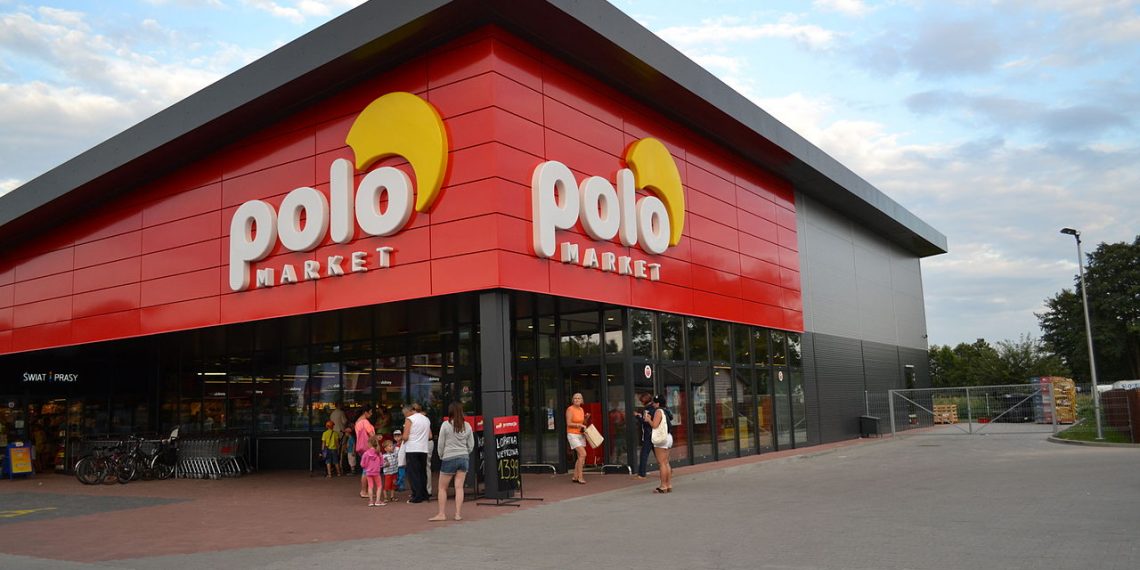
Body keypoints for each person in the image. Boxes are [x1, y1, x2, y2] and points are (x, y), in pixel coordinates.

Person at [430, 402, 475, 522]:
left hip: (449, 457)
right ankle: (458, 514)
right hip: (463, 457)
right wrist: (465, 452)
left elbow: (441, 443)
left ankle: (441, 514)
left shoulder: (446, 425)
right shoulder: (467, 426)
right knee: (459, 487)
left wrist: (441, 455)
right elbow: (471, 445)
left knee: (442, 488)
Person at [402, 402, 432, 503]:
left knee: (413, 473)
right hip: (423, 448)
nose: (405, 416)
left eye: (405, 414)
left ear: (409, 411)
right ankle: (424, 494)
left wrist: (401, 438)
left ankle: (417, 496)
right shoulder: (426, 419)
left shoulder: (409, 419)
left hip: (412, 448)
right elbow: (429, 436)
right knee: (422, 472)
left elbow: (405, 436)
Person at [646, 395, 673, 493]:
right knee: (666, 462)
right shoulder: (666, 410)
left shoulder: (658, 411)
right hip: (668, 437)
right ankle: (668, 485)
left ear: (658, 403)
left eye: (654, 402)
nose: (653, 404)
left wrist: (648, 419)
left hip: (661, 438)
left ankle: (663, 486)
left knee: (661, 463)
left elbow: (655, 425)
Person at [565, 392, 591, 484]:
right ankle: (580, 477)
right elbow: (568, 423)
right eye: (575, 398)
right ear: (573, 400)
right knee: (583, 454)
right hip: (572, 434)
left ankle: (575, 476)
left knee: (580, 456)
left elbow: (583, 423)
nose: (577, 399)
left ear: (582, 400)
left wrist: (586, 418)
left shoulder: (581, 409)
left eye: (579, 398)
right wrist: (578, 425)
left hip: (581, 434)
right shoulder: (570, 409)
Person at [632, 391, 656, 479]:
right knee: (658, 455)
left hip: (648, 435)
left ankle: (641, 474)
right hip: (654, 434)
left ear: (644, 401)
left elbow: (645, 421)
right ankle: (668, 470)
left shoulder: (647, 409)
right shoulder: (653, 408)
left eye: (641, 401)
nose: (641, 403)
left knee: (644, 454)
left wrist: (637, 416)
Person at [358, 434, 386, 507]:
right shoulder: (379, 453)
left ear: (369, 444)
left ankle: (371, 501)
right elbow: (382, 463)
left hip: (368, 472)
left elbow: (362, 464)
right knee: (379, 486)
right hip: (376, 472)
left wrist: (366, 467)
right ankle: (377, 501)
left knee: (370, 486)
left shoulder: (365, 453)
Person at [355, 408, 376, 498]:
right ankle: (364, 491)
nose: (371, 414)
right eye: (370, 412)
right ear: (365, 412)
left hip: (361, 448)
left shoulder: (358, 422)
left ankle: (366, 491)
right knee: (367, 471)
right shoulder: (365, 422)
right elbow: (371, 435)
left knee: (366, 469)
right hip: (368, 448)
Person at [381, 439, 399, 504]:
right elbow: (381, 465)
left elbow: (397, 448)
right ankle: (385, 497)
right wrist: (385, 465)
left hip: (394, 472)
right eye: (390, 446)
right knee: (387, 485)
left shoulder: (395, 454)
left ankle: (392, 497)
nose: (392, 447)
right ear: (385, 449)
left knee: (393, 485)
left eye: (392, 446)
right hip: (388, 473)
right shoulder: (383, 456)